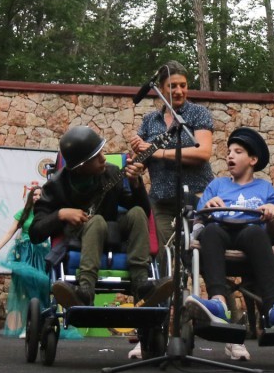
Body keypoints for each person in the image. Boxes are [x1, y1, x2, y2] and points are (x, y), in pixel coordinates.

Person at [185, 127, 274, 361]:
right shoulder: (217, 185)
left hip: (251, 236)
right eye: (229, 152)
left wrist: (272, 212)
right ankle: (218, 302)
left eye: (238, 151)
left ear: (253, 160)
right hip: (219, 232)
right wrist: (208, 205)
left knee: (256, 233)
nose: (230, 155)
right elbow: (198, 220)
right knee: (210, 231)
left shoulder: (265, 188)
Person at [29, 125, 171, 309]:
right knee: (96, 221)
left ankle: (141, 285)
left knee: (136, 213)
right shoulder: (55, 186)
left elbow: (143, 210)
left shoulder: (111, 172)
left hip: (113, 232)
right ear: (80, 167)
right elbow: (35, 232)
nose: (103, 159)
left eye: (101, 152)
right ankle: (85, 291)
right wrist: (62, 214)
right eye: (96, 157)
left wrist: (135, 183)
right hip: (79, 236)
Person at [128, 60, 214, 271]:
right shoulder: (150, 120)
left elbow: (203, 152)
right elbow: (141, 162)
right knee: (161, 256)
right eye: (172, 86)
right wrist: (138, 152)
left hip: (195, 196)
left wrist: (159, 152)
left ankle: (215, 292)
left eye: (183, 85)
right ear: (161, 88)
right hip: (161, 201)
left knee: (197, 256)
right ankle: (164, 292)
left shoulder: (197, 113)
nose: (179, 91)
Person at [0, 183, 49, 337]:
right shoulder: (23, 213)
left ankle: (41, 326)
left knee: (40, 288)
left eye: (40, 195)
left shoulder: (48, 213)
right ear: (30, 197)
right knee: (26, 289)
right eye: (34, 195)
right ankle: (28, 327)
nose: (37, 197)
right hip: (24, 254)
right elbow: (10, 232)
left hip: (41, 255)